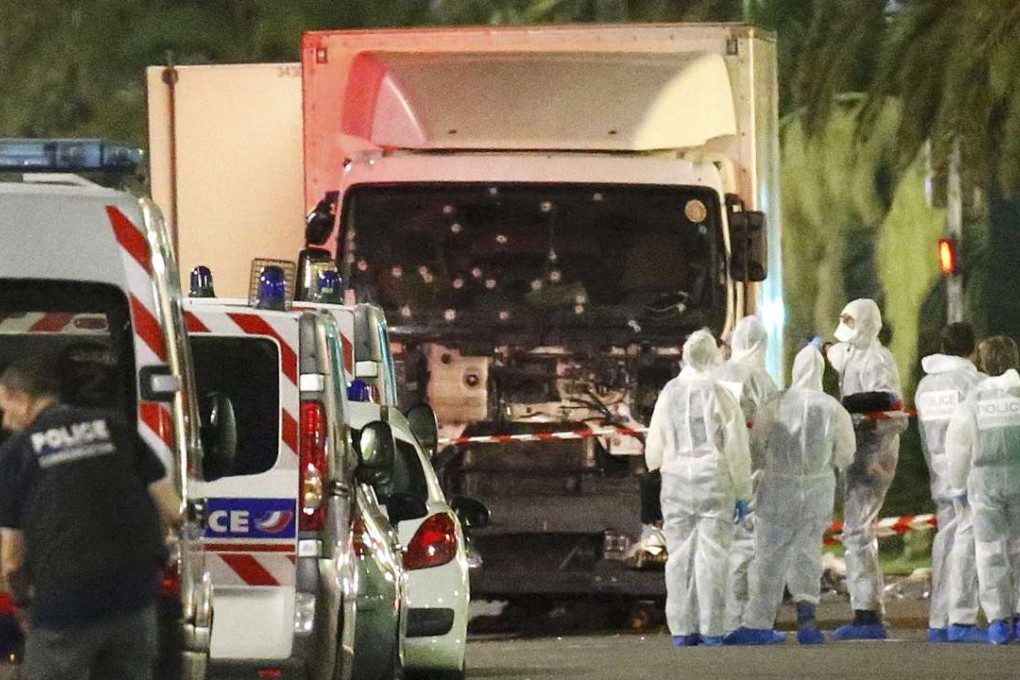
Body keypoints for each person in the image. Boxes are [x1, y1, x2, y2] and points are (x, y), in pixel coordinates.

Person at [0, 357, 182, 679]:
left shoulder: (18, 452)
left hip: (65, 605)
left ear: (20, 398)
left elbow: (12, 562)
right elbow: (171, 510)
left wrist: (23, 606)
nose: (5, 422)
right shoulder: (113, 425)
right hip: (134, 597)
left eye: (4, 409)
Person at [725, 345, 855, 645]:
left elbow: (757, 445)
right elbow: (846, 454)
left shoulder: (776, 403)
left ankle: (758, 624)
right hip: (817, 490)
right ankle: (808, 621)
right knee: (808, 552)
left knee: (769, 557)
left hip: (778, 489)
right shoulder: (833, 408)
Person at [645, 329, 752, 647]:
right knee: (712, 556)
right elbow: (736, 447)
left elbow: (655, 443)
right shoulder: (720, 394)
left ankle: (681, 629)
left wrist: (658, 467)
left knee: (678, 556)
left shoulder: (670, 392)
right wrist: (743, 491)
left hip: (676, 480)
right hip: (713, 481)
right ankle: (711, 628)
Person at [825, 298, 908, 640]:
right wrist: (819, 348)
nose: (844, 324)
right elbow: (832, 352)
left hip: (874, 456)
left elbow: (890, 403)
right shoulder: (850, 354)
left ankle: (867, 614)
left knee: (858, 532)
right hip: (856, 454)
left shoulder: (877, 359)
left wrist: (851, 407)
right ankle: (869, 608)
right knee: (859, 530)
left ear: (866, 322)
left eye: (849, 319)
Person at [946, 335, 1020, 645]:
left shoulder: (974, 399)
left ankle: (997, 620)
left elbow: (958, 447)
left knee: (990, 551)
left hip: (984, 481)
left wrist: (958, 484)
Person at [914, 322, 985, 643]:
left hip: (939, 473)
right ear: (972, 348)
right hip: (970, 475)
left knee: (945, 544)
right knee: (968, 548)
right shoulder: (974, 383)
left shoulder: (926, 387)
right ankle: (962, 618)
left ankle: (939, 620)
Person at [713, 316, 779, 633]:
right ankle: (742, 621)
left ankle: (713, 619)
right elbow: (768, 429)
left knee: (716, 544)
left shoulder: (718, 373)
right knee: (747, 544)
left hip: (714, 469)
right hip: (750, 468)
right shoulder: (759, 378)